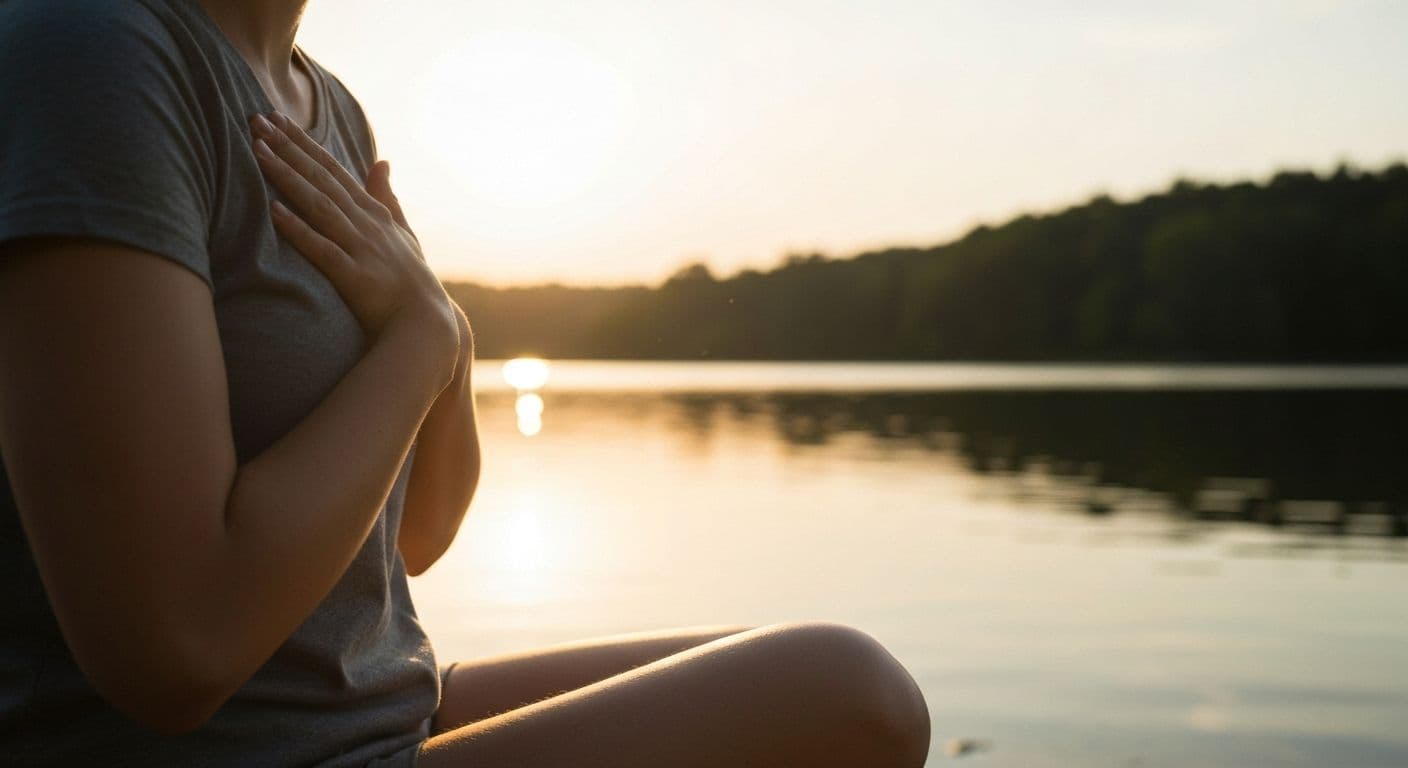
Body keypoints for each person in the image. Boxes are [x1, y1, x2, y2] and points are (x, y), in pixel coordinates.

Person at [0, 0, 931, 765]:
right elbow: (176, 651)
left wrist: (446, 331)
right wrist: (420, 339)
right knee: (850, 693)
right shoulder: (94, 52)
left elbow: (420, 530)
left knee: (819, 686)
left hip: (377, 712)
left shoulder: (326, 105)